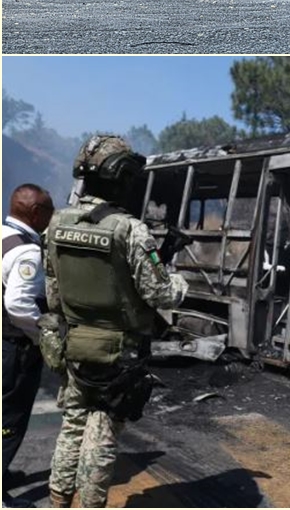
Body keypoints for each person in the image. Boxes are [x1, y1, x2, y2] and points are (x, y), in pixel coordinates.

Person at [45, 136, 189, 509]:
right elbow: (163, 295)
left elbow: (53, 293)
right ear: (120, 178)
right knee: (103, 430)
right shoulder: (130, 230)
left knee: (73, 423)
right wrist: (177, 278)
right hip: (119, 352)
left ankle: (58, 500)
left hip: (73, 344)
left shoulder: (57, 223)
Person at [3, 185, 55, 504]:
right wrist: (43, 335)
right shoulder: (27, 251)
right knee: (10, 415)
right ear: (35, 213)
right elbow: (19, 304)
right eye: (49, 211)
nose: (51, 217)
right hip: (14, 346)